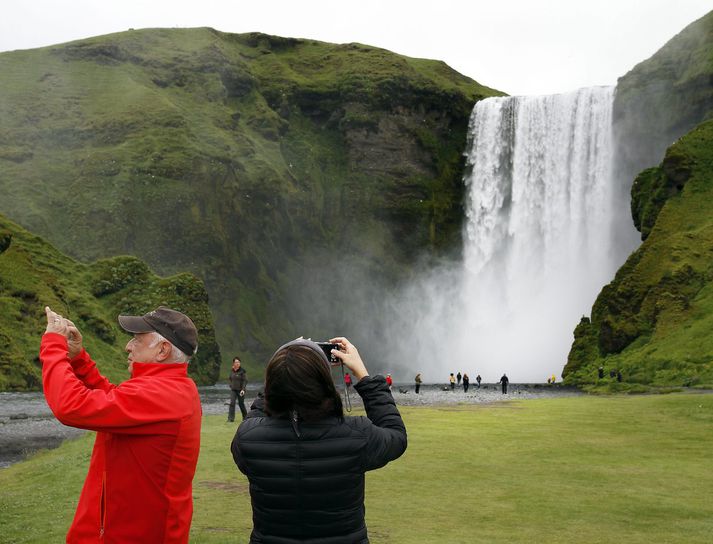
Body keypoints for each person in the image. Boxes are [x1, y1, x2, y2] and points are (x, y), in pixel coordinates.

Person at [40, 305, 202, 543]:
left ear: (163, 350)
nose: (128, 345)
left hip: (130, 533)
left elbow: (70, 406)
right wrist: (78, 360)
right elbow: (116, 404)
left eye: (137, 339)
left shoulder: (159, 394)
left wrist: (54, 346)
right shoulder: (170, 388)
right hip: (136, 529)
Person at [231, 337, 407, 543]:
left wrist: (284, 367)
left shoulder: (248, 439)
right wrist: (363, 374)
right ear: (325, 384)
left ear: (273, 383)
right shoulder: (357, 434)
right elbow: (396, 435)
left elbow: (258, 415)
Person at [228, 356, 248, 422]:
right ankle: (230, 419)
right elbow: (230, 378)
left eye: (238, 362)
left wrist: (243, 389)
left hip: (241, 390)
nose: (237, 363)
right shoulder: (232, 371)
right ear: (233, 363)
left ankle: (245, 417)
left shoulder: (243, 371)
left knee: (241, 403)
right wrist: (230, 385)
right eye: (236, 362)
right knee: (232, 403)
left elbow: (245, 381)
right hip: (233, 390)